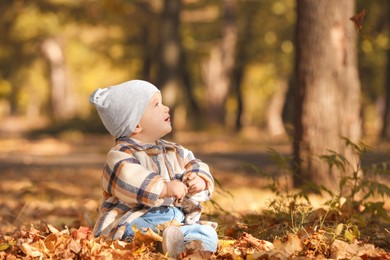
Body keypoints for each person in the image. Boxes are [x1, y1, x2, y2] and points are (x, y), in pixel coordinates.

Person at [89, 79, 218, 259]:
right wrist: (164, 188)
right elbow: (130, 177)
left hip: (177, 221)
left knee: (207, 233)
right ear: (136, 125)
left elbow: (195, 164)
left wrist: (199, 179)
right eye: (156, 104)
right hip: (135, 220)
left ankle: (187, 249)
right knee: (138, 231)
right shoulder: (119, 155)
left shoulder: (175, 150)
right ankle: (159, 245)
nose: (166, 108)